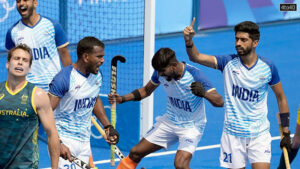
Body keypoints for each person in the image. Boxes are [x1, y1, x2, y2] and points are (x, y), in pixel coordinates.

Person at [184, 19, 292, 169]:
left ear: (255, 43)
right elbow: (195, 57)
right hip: (233, 135)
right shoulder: (227, 62)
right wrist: (189, 41)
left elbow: (281, 97)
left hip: (259, 134)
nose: (238, 43)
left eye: (243, 40)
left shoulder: (268, 68)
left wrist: (286, 132)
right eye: (236, 39)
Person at [109, 47, 224, 169]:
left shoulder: (195, 75)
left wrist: (204, 93)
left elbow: (220, 102)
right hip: (169, 121)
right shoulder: (161, 72)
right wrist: (122, 99)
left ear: (173, 65)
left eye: (162, 71)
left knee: (181, 165)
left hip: (191, 126)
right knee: (135, 152)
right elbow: (146, 90)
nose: (159, 74)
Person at [48, 36, 119, 168]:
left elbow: (94, 98)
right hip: (64, 139)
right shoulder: (64, 79)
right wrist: (57, 142)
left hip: (84, 142)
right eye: (99, 57)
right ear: (86, 57)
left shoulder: (97, 75)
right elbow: (45, 113)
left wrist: (108, 127)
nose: (102, 61)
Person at [0, 44, 60, 169]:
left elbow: (52, 133)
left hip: (26, 165)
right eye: (16, 59)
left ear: (29, 68)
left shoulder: (38, 95)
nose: (20, 63)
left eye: (25, 60)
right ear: (7, 64)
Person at [5, 0, 72, 92]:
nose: (21, 4)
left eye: (25, 0)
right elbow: (12, 62)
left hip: (54, 86)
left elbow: (64, 54)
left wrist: (70, 81)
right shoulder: (12, 32)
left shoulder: (52, 25)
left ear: (35, 3)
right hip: (28, 88)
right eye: (18, 1)